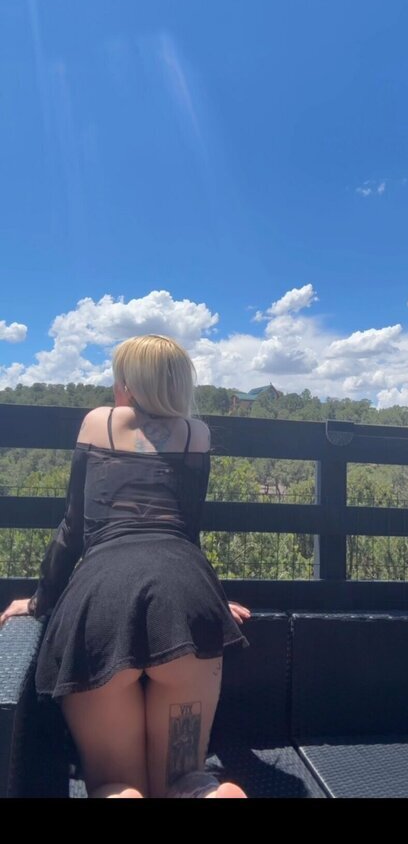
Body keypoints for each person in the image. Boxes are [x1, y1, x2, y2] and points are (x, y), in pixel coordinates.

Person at [0, 334, 251, 798]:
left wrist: (38, 602)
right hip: (185, 602)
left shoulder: (100, 421)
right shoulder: (196, 434)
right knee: (182, 780)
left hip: (101, 605)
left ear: (128, 384)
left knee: (116, 784)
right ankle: (202, 792)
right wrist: (213, 601)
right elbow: (185, 533)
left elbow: (73, 528)